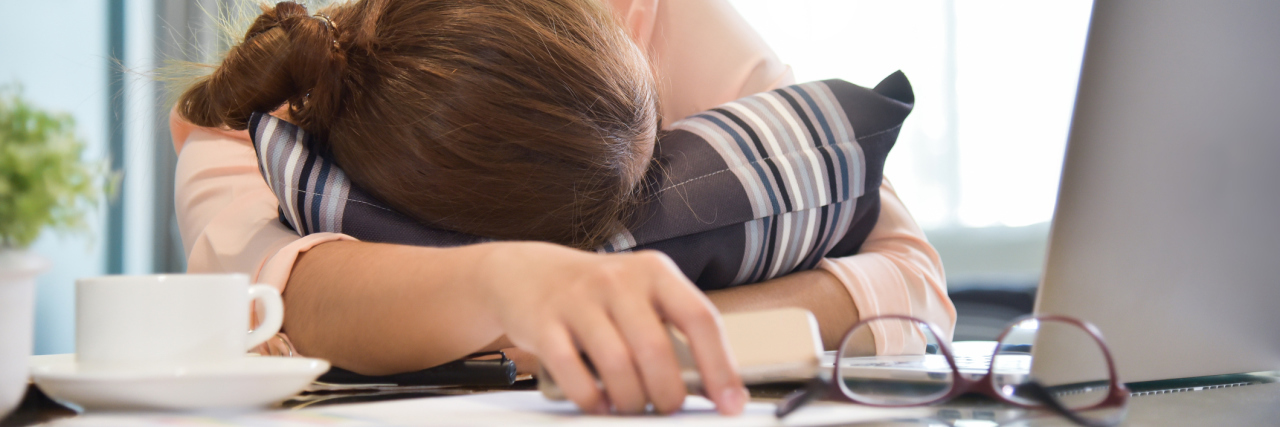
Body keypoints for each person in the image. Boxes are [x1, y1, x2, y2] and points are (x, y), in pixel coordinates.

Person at [170, 0, 955, 416]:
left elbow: (911, 282)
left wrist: (655, 330)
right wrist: (513, 286)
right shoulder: (247, 120)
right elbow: (289, 298)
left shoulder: (651, 16)